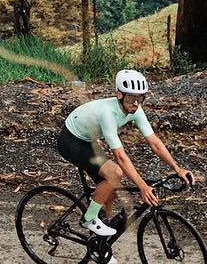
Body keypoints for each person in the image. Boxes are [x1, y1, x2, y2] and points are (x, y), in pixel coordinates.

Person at [58, 68, 196, 239]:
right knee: (115, 173)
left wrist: (177, 168)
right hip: (70, 140)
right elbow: (121, 157)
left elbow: (154, 142)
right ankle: (89, 218)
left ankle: (100, 240)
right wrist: (143, 187)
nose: (136, 104)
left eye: (140, 98)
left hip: (88, 141)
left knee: (112, 189)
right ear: (119, 95)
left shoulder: (136, 109)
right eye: (131, 98)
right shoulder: (108, 114)